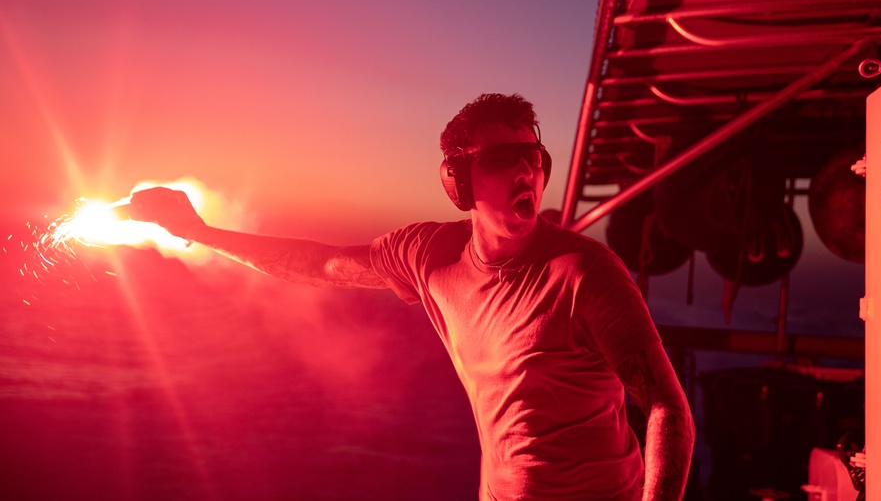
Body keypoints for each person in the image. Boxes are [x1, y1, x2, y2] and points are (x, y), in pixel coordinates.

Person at [129, 93, 695, 501]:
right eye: (503, 158)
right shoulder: (430, 255)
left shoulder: (586, 273)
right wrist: (199, 233)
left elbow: (668, 407)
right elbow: (318, 263)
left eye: (535, 157)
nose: (526, 169)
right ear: (458, 181)